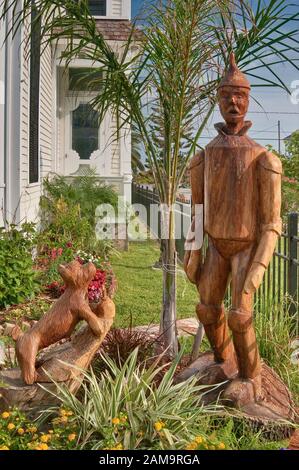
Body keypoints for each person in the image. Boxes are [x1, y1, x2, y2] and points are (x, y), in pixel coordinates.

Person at [184, 53, 282, 405]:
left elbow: (272, 222)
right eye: (226, 96)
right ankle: (223, 360)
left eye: (239, 96)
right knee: (207, 309)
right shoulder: (204, 157)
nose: (233, 103)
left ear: (249, 99)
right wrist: (192, 250)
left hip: (245, 247)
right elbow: (197, 209)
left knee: (240, 315)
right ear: (218, 101)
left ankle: (250, 376)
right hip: (214, 246)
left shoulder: (263, 159)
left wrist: (258, 267)